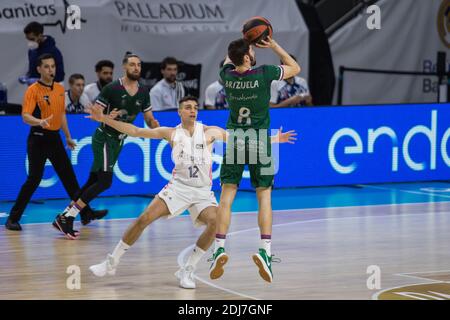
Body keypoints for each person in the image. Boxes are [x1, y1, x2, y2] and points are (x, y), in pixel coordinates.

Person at [86, 96, 296, 288]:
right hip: (178, 188)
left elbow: (243, 140)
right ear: (179, 112)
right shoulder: (170, 133)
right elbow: (135, 131)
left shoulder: (209, 132)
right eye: (188, 107)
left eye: (195, 107)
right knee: (144, 218)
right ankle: (111, 261)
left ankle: (188, 269)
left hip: (203, 192)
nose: (193, 110)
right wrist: (104, 119)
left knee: (216, 223)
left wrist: (274, 139)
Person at [209, 37, 301, 283]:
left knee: (227, 196)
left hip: (235, 138)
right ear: (249, 57)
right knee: (264, 196)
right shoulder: (264, 73)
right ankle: (266, 252)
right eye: (251, 49)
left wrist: (243, 41)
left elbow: (231, 56)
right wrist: (272, 45)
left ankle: (219, 248)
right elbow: (295, 68)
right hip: (260, 140)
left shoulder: (226, 74)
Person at [52, 52, 160, 239]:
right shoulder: (112, 88)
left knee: (94, 181)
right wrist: (105, 117)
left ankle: (65, 216)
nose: (136, 68)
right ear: (125, 67)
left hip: (118, 141)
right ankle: (67, 217)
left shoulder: (144, 91)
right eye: (133, 65)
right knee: (105, 181)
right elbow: (96, 113)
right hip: (104, 138)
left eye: (139, 65)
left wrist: (156, 126)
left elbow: (149, 118)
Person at [5, 54, 105, 231]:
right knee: (34, 180)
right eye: (46, 67)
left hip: (55, 138)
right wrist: (39, 122)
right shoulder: (33, 90)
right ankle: (13, 218)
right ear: (39, 69)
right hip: (38, 138)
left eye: (52, 66)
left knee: (70, 180)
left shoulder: (59, 89)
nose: (51, 70)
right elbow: (25, 116)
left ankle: (85, 213)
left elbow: (61, 115)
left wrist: (67, 136)